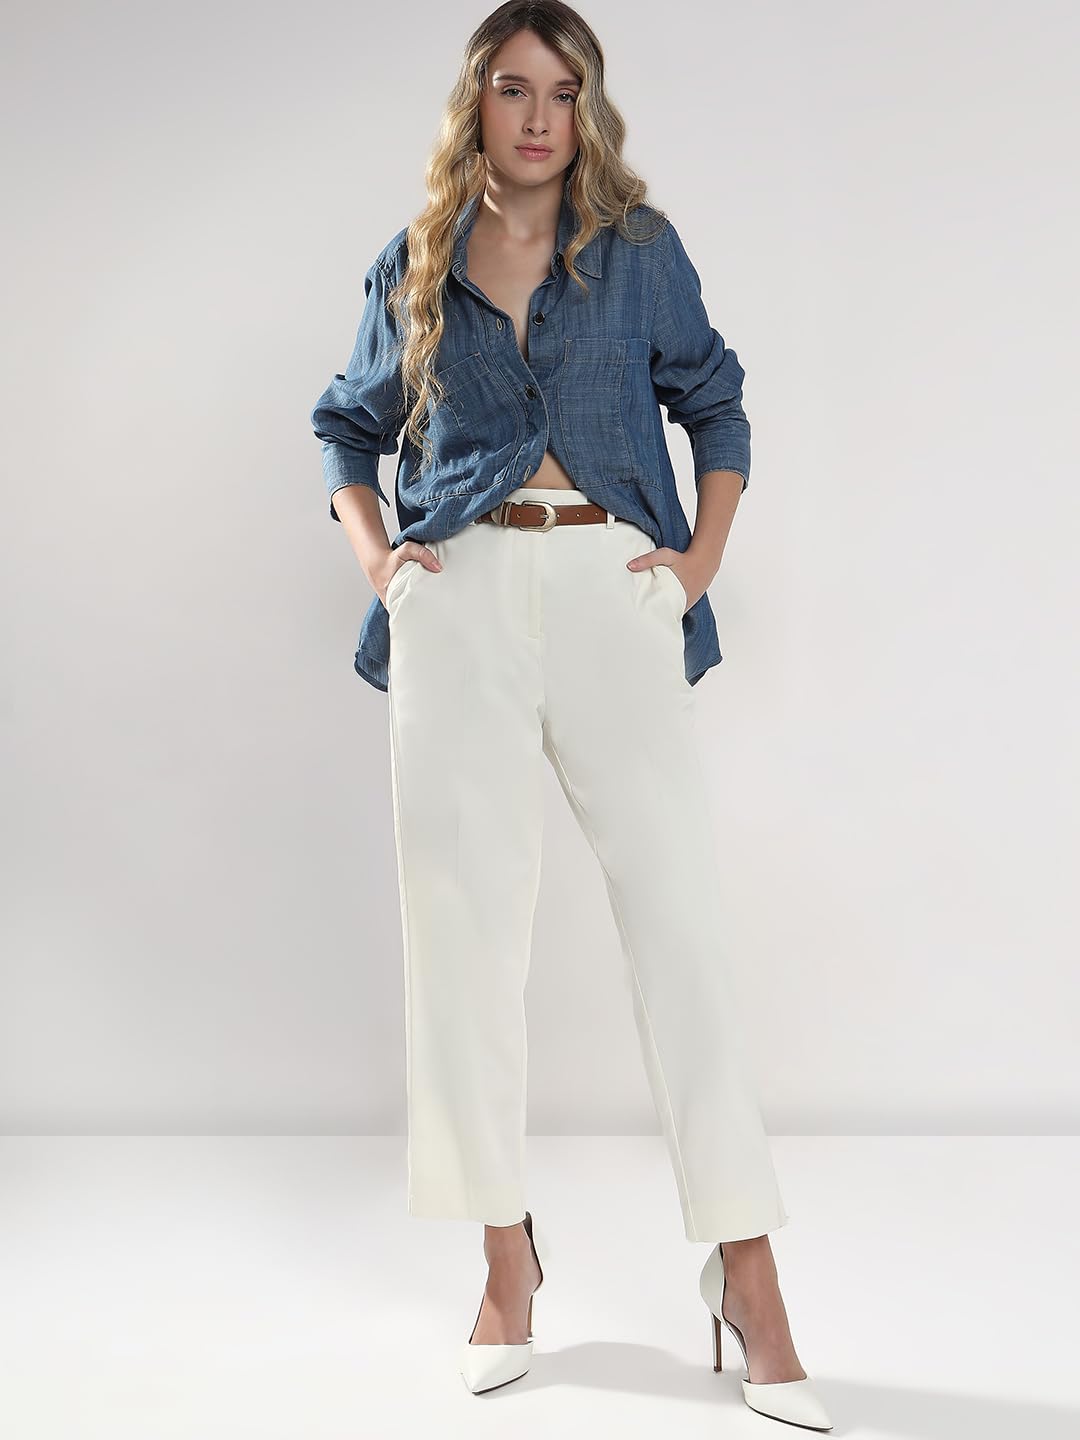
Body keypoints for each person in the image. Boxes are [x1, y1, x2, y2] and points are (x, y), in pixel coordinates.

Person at [309, 2, 832, 1429]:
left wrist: (698, 564)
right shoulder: (417, 260)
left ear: (585, 108)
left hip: (614, 586)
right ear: (475, 107)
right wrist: (385, 567)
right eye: (512, 89)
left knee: (680, 924)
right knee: (464, 934)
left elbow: (716, 403)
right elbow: (346, 424)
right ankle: (504, 1260)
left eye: (561, 91)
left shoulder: (639, 252)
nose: (538, 117)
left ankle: (748, 1268)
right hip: (461, 600)